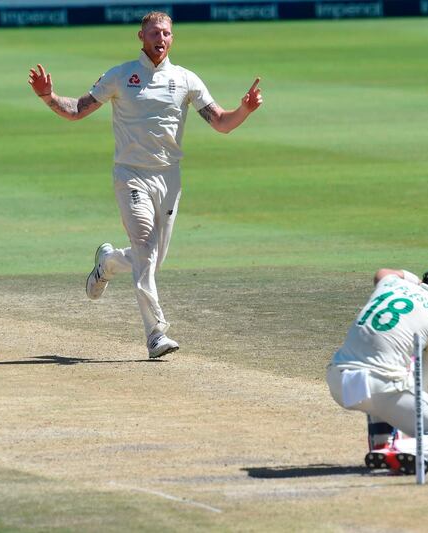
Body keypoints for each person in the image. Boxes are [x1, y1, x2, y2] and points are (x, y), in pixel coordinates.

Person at [28, 12, 262, 358]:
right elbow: (77, 109)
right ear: (141, 36)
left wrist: (244, 110)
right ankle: (156, 334)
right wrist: (48, 97)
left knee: (150, 259)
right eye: (154, 33)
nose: (161, 38)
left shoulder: (185, 79)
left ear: (173, 38)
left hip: (169, 177)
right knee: (145, 250)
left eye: (166, 33)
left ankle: (107, 262)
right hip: (131, 175)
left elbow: (222, 123)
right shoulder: (121, 75)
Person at [326, 263, 428, 474]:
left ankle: (381, 445)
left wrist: (414, 281)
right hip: (381, 386)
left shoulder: (392, 283)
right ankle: (397, 450)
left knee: (390, 383)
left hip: (339, 382)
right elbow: (425, 387)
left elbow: (381, 272)